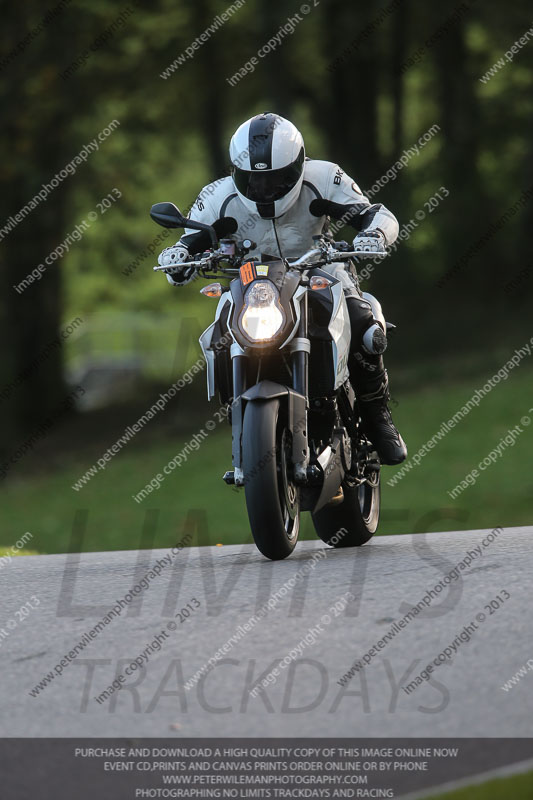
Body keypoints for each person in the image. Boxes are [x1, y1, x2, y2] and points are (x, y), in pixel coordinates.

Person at [157, 112, 407, 465]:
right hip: (252, 282)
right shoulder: (218, 195)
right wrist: (179, 256)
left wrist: (373, 234)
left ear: (299, 165)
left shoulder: (324, 178)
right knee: (218, 336)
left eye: (275, 180)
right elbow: (190, 239)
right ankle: (242, 418)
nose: (265, 191)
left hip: (321, 268)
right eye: (254, 181)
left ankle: (378, 414)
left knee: (363, 322)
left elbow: (375, 213)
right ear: (236, 174)